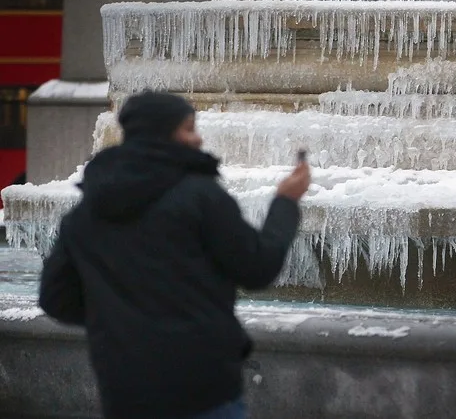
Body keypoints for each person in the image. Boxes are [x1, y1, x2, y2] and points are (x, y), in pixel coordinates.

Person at [38, 91, 310, 419]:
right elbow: (258, 267)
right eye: (189, 129)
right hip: (205, 387)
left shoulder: (85, 213)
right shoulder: (200, 197)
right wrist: (285, 202)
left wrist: (120, 319)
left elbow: (55, 298)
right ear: (162, 133)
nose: (198, 140)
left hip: (124, 390)